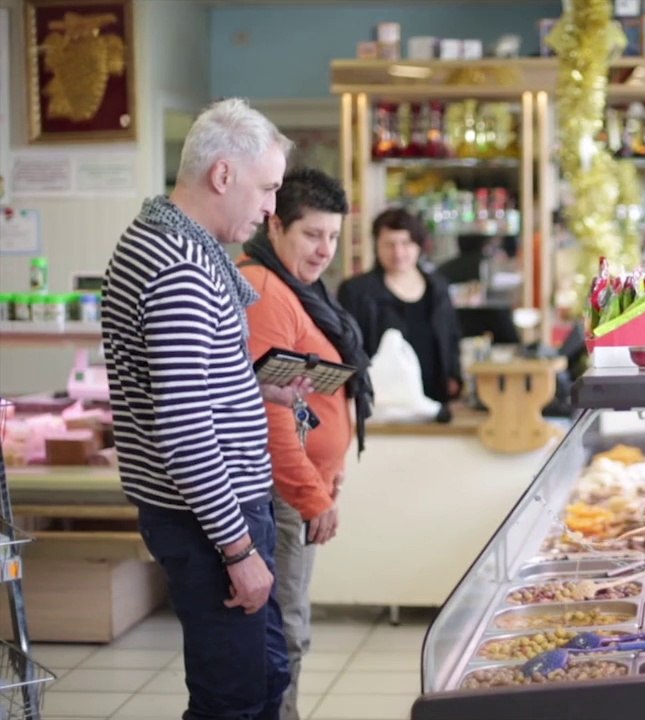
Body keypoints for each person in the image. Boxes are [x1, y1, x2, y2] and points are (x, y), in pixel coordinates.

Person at [101, 98, 300, 719]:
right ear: (223, 174)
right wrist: (238, 552)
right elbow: (185, 430)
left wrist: (251, 386)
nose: (271, 208)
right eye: (267, 188)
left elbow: (186, 382)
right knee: (232, 701)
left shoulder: (158, 238)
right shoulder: (181, 268)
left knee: (264, 678)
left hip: (207, 514)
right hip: (213, 521)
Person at [237, 168, 373, 720]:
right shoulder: (267, 291)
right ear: (275, 225)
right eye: (312, 234)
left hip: (301, 489)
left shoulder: (296, 286)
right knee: (285, 633)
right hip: (283, 494)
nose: (325, 250)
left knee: (288, 628)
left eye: (333, 236)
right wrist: (312, 496)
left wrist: (326, 478)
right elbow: (269, 414)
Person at [337, 207, 461, 420]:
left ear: (418, 245)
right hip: (382, 406)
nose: (398, 252)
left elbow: (452, 335)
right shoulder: (356, 291)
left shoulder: (438, 288)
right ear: (376, 245)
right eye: (389, 244)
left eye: (406, 243)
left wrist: (454, 376)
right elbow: (347, 348)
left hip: (435, 399)